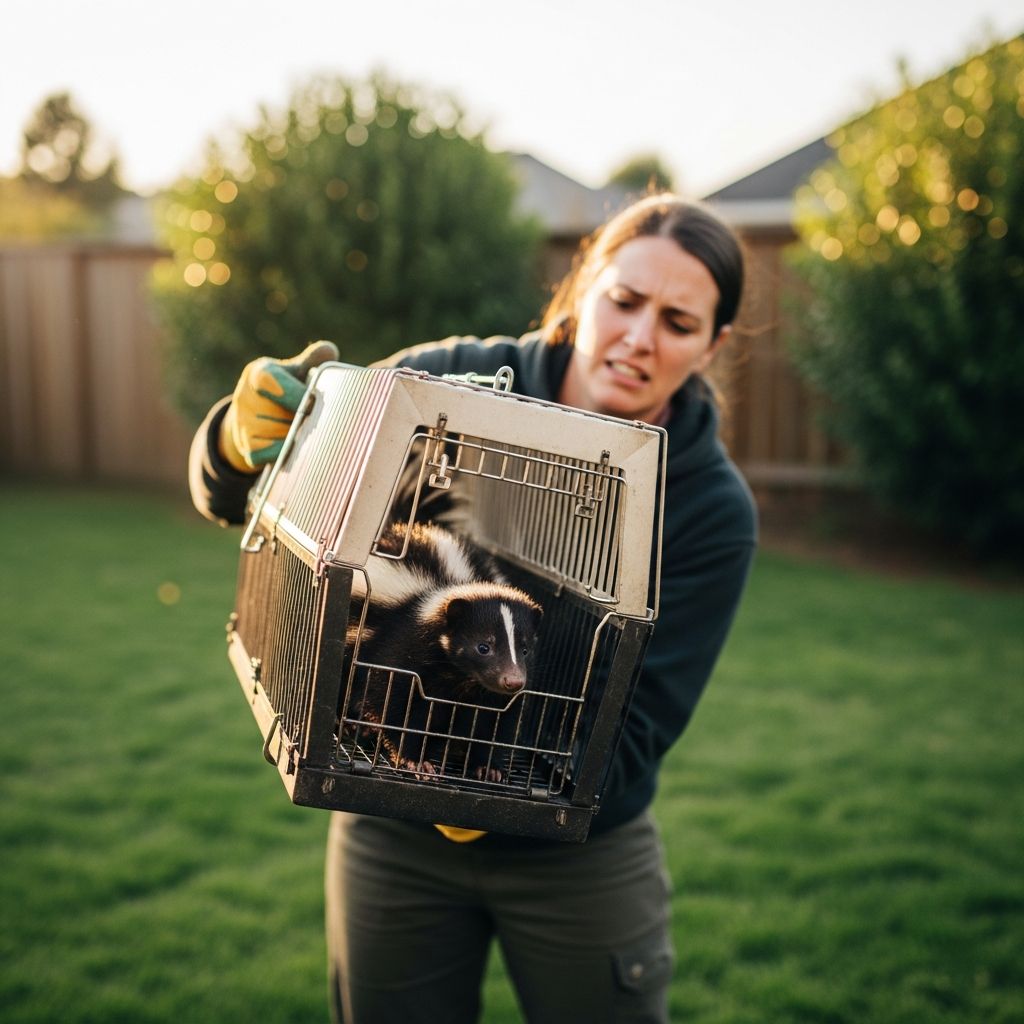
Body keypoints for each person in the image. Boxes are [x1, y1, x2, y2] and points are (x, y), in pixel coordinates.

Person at [189, 193, 758, 1024]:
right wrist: (236, 441)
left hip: (579, 855)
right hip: (392, 819)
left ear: (714, 343)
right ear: (581, 289)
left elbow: (641, 727)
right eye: (625, 301)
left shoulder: (708, 505)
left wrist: (484, 792)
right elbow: (262, 502)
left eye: (678, 321)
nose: (640, 337)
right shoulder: (444, 384)